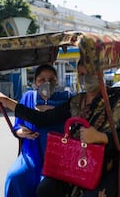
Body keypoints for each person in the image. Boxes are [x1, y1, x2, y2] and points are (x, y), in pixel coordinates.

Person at [0, 61, 120, 197]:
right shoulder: (76, 101)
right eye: (81, 74)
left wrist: (100, 137)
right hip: (75, 161)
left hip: (109, 165)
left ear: (100, 73)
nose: (85, 78)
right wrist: (8, 103)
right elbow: (42, 119)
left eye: (89, 73)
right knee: (45, 188)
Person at [5, 64, 72, 197]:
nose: (47, 83)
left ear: (57, 81)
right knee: (14, 176)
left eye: (51, 80)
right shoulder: (28, 97)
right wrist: (21, 133)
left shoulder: (67, 98)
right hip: (31, 153)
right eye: (42, 80)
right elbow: (17, 127)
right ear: (35, 82)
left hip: (58, 155)